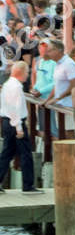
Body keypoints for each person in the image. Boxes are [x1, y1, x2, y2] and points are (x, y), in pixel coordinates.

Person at [0, 61, 34, 192]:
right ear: (20, 72)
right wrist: (19, 128)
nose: (27, 75)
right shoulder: (16, 87)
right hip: (15, 123)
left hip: (7, 122)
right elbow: (15, 109)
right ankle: (28, 185)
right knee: (26, 153)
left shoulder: (7, 84)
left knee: (7, 153)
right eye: (27, 72)